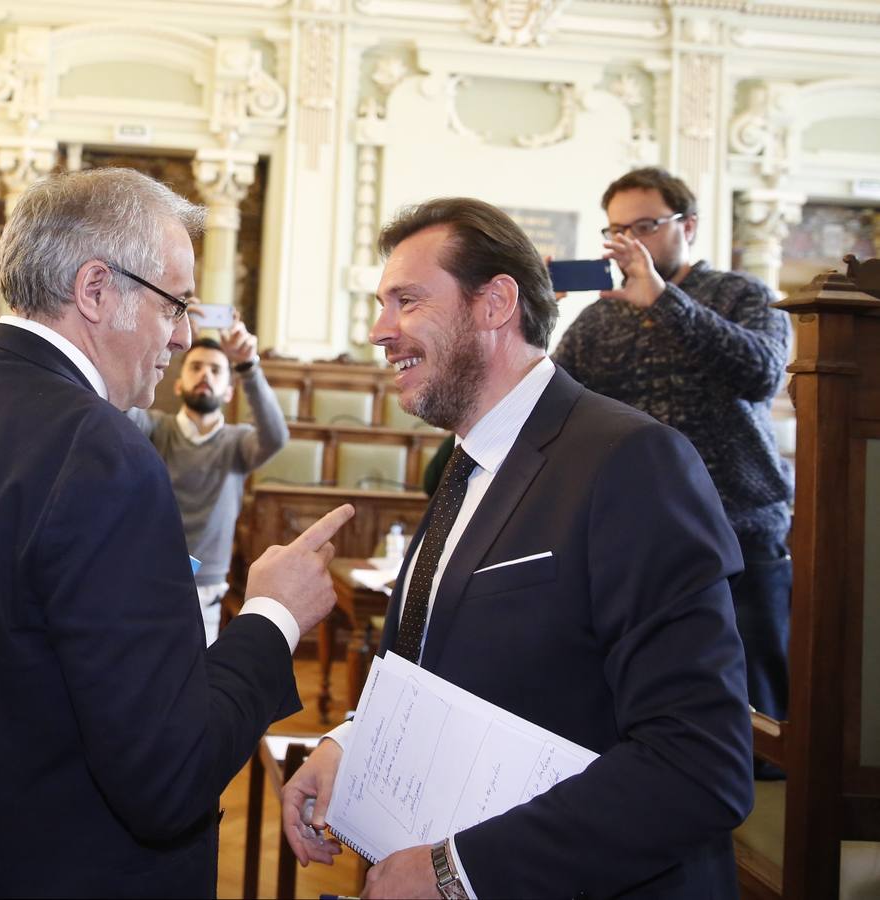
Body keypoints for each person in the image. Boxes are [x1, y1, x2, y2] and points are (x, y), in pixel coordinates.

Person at [0, 167, 353, 897]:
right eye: (174, 305)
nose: (185, 334)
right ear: (96, 290)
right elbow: (166, 772)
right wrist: (273, 615)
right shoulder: (101, 453)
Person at [281, 198, 753, 898]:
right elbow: (440, 659)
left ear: (496, 302)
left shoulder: (632, 461)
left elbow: (697, 764)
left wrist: (455, 873)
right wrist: (348, 742)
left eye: (406, 301)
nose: (380, 331)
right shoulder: (465, 463)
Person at [552, 167, 793, 733]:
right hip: (636, 537)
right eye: (616, 231)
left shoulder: (742, 293)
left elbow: (760, 373)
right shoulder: (599, 317)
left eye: (644, 227)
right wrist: (530, 315)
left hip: (741, 529)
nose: (628, 244)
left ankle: (766, 819)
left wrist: (662, 300)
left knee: (758, 713)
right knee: (650, 705)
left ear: (688, 225)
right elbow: (550, 403)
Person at [126, 323, 287, 645]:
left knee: (196, 683)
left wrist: (248, 366)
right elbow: (119, 405)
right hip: (148, 580)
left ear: (229, 391)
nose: (205, 375)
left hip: (206, 590)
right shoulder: (155, 428)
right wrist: (162, 340)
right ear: (178, 383)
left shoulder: (237, 443)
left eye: (215, 369)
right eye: (195, 367)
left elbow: (276, 437)